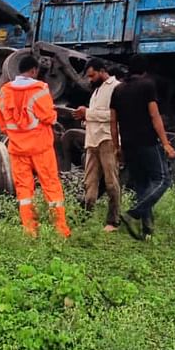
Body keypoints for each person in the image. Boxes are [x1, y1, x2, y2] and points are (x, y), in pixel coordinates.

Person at [0, 55, 71, 238]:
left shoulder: (4, 91)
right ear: (34, 70)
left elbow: (2, 123)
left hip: (17, 149)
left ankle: (30, 231)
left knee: (24, 190)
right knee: (51, 186)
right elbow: (49, 117)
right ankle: (60, 230)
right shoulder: (40, 89)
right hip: (41, 148)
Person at [110, 55, 175, 240]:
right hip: (147, 141)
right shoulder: (147, 85)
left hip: (129, 144)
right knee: (163, 179)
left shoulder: (118, 90)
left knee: (142, 184)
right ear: (145, 71)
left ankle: (147, 229)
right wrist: (165, 143)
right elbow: (155, 117)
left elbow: (113, 122)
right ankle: (133, 214)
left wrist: (117, 147)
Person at [73, 58, 121, 232]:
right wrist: (84, 117)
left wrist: (88, 113)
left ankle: (113, 220)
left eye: (92, 75)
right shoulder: (97, 91)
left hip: (107, 139)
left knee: (111, 182)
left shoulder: (116, 87)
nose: (90, 80)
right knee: (89, 183)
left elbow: (114, 116)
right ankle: (85, 218)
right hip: (92, 140)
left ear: (102, 71)